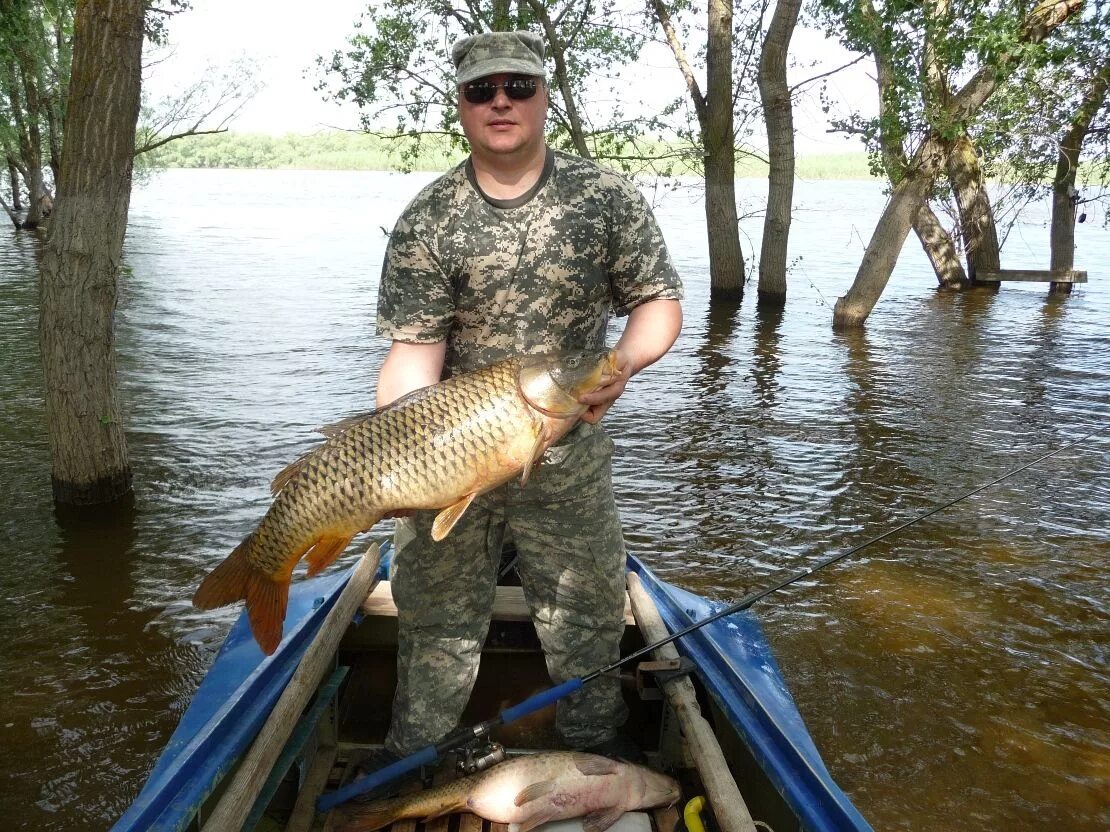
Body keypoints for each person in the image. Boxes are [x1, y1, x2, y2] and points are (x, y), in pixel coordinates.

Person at [373, 30, 683, 765]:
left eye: (518, 86)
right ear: (462, 104)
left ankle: (595, 746)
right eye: (483, 90)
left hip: (565, 451)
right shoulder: (429, 218)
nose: (501, 101)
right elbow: (413, 357)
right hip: (455, 453)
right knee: (434, 619)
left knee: (586, 612)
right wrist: (395, 462)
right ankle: (416, 758)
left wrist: (627, 364)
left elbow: (658, 303)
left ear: (545, 95)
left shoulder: (602, 196)